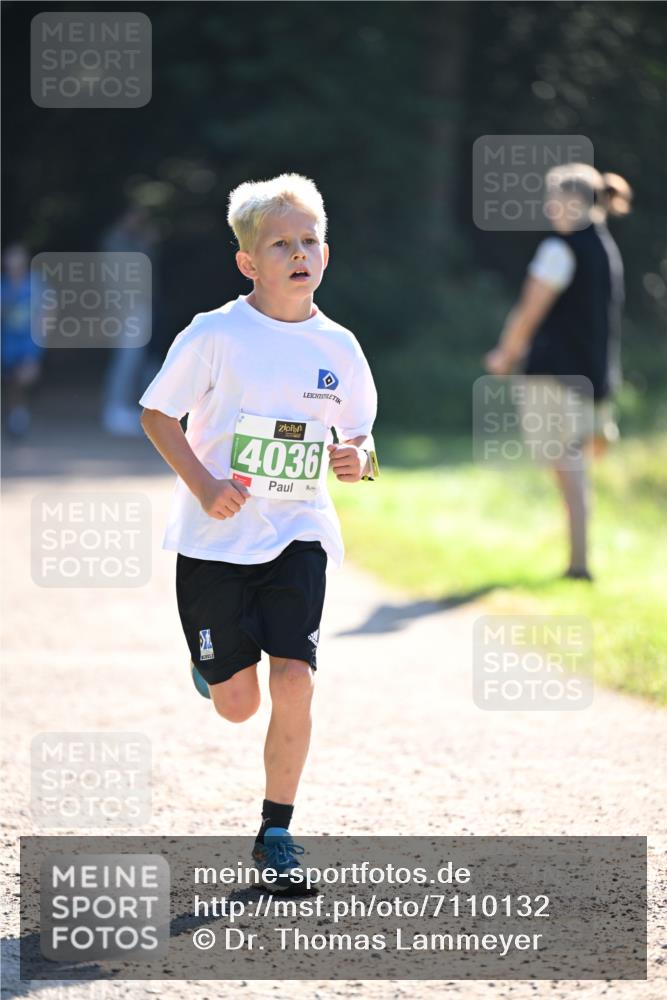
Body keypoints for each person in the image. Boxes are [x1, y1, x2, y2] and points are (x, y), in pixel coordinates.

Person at [139, 174, 378, 885]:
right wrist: (205, 486)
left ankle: (276, 831)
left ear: (326, 253)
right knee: (238, 705)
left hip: (298, 529)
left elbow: (361, 437)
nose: (298, 253)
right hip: (215, 540)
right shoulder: (215, 334)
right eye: (280, 244)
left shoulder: (339, 346)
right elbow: (157, 414)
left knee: (296, 678)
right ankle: (213, 668)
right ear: (248, 261)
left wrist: (357, 459)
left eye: (309, 240)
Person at [484, 163, 632, 581]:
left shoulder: (559, 249)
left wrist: (505, 354)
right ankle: (577, 554)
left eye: (554, 198)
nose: (549, 206)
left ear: (574, 201)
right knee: (575, 467)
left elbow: (530, 309)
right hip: (594, 379)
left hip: (555, 377)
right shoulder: (604, 247)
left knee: (567, 467)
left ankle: (578, 564)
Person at [101, 205, 159, 436]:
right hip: (126, 308)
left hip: (139, 306)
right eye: (136, 216)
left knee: (135, 359)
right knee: (126, 359)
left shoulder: (132, 240)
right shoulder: (117, 241)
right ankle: (115, 409)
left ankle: (122, 408)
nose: (140, 221)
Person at [1, 242, 44, 437]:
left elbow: (49, 307)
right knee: (11, 380)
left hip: (29, 341)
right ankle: (16, 413)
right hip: (8, 341)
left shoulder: (35, 284)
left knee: (25, 376)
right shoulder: (3, 286)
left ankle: (19, 413)